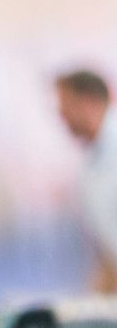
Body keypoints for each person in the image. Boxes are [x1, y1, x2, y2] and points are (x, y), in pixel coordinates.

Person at [55, 70, 117, 293]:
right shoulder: (89, 171)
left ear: (88, 101)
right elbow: (107, 254)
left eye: (66, 105)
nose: (61, 115)